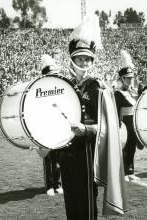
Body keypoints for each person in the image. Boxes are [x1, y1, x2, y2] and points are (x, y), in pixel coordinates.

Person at [58, 18, 126, 220]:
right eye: (80, 59)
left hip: (86, 152)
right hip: (65, 150)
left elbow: (110, 127)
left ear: (92, 61)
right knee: (70, 202)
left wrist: (86, 130)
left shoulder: (98, 87)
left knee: (86, 204)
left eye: (88, 59)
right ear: (72, 59)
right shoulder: (64, 86)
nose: (84, 63)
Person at [114, 50, 140, 182]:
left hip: (133, 123)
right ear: (122, 79)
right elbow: (116, 111)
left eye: (131, 78)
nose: (130, 80)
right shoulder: (117, 94)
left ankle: (130, 171)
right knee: (123, 148)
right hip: (123, 123)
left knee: (132, 147)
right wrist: (118, 125)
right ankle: (122, 172)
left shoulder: (134, 93)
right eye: (127, 78)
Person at [40, 54, 63, 196]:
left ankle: (58, 183)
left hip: (58, 126)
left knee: (59, 157)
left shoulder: (61, 89)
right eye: (51, 75)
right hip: (46, 127)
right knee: (48, 158)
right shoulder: (40, 90)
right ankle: (49, 185)